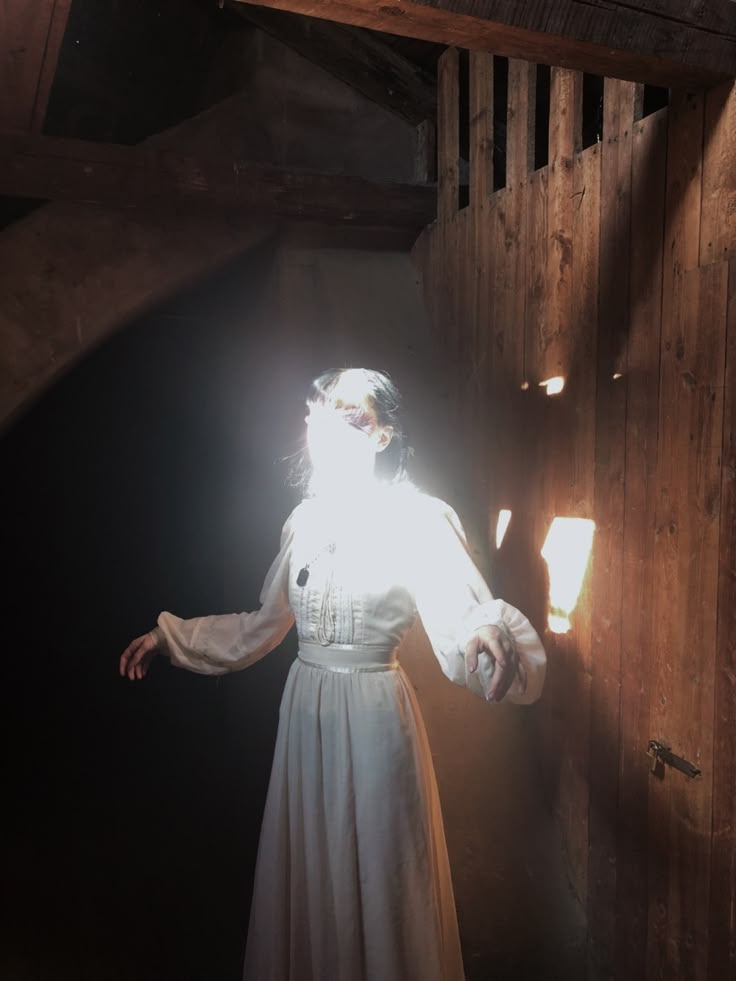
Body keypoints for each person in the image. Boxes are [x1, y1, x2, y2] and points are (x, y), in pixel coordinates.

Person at [120, 367, 546, 981]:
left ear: (382, 435)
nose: (334, 427)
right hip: (305, 715)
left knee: (382, 870)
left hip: (375, 716)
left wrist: (486, 630)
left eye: (355, 416)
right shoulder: (304, 523)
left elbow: (461, 616)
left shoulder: (418, 518)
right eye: (323, 413)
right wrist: (172, 637)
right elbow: (259, 627)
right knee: (312, 870)